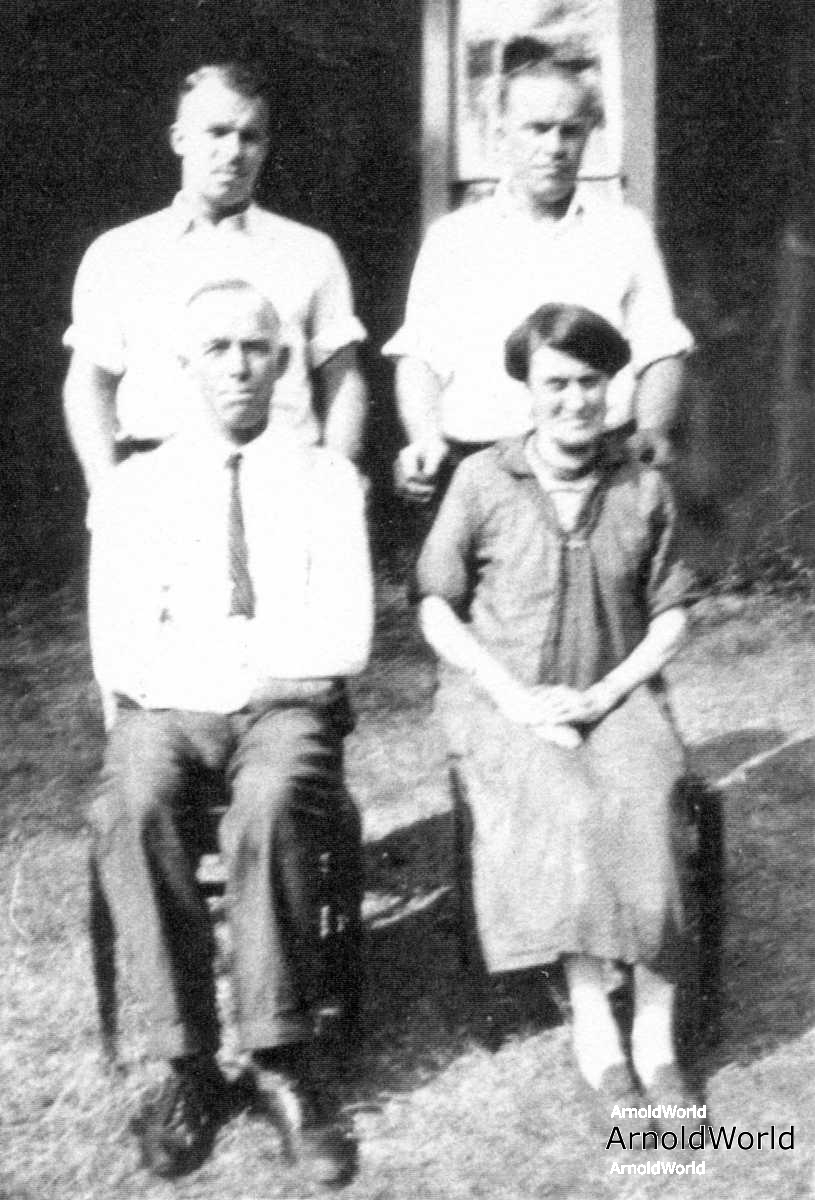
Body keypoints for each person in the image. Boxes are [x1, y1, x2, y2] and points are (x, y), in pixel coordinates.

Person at [88, 277, 373, 1183]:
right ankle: (188, 1069)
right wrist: (242, 666)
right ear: (184, 365)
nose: (238, 366)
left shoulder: (327, 480)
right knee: (131, 804)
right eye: (216, 348)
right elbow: (123, 646)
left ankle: (281, 1062)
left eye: (256, 348)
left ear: (284, 363)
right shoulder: (137, 487)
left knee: (275, 801)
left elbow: (346, 638)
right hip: (170, 709)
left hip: (283, 712)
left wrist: (226, 665)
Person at [416, 302, 701, 1137]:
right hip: (501, 699)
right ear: (527, 390)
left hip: (614, 693)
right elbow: (435, 606)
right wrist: (511, 696)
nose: (574, 400)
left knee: (646, 798)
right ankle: (594, 1021)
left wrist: (606, 692)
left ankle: (654, 1036)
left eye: (590, 382)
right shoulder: (481, 481)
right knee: (565, 803)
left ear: (612, 387)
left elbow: (672, 614)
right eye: (556, 384)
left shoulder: (641, 485)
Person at [386, 38, 692, 502]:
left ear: (588, 135)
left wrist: (652, 429)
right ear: (501, 133)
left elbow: (660, 348)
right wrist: (424, 438)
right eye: (538, 129)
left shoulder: (624, 231)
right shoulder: (454, 238)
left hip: (600, 464)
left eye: (570, 131)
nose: (555, 147)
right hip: (483, 464)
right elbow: (420, 357)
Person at [64, 61, 367, 495]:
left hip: (284, 482)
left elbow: (342, 377)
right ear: (180, 139)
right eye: (217, 132)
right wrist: (105, 491)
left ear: (265, 146)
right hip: (157, 483)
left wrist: (335, 481)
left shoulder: (309, 251)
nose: (233, 151)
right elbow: (90, 382)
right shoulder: (119, 253)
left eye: (249, 136)